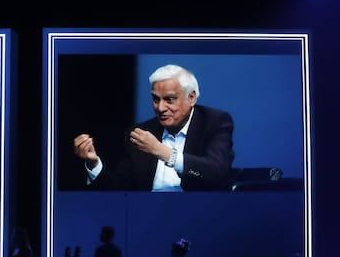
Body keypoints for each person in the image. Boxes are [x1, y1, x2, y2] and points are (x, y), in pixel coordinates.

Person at [73, 64, 235, 191]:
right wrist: (93, 163)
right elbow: (120, 191)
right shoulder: (140, 133)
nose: (160, 108)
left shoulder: (215, 122)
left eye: (169, 99)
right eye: (156, 99)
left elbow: (215, 174)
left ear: (191, 97)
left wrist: (162, 152)